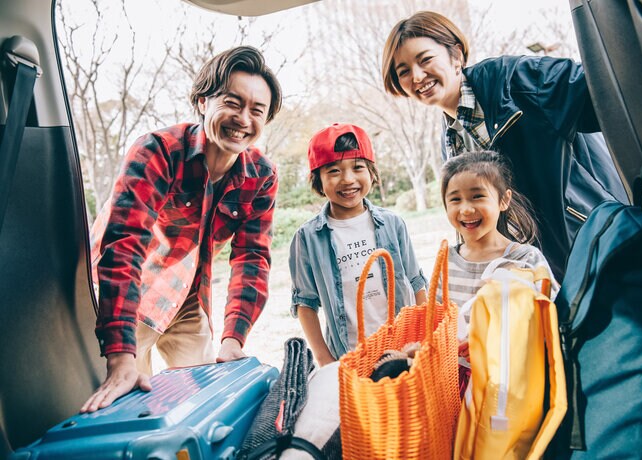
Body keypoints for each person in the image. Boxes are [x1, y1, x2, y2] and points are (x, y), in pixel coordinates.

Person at [81, 46, 282, 413]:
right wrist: (120, 354)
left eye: (257, 110)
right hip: (126, 294)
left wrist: (234, 337)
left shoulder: (262, 176)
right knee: (126, 404)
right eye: (232, 103)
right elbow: (123, 245)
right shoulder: (157, 151)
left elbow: (252, 258)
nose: (243, 119)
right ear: (204, 102)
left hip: (187, 294)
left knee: (205, 400)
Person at [381, 11, 629, 281]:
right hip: (544, 273)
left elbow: (606, 90)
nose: (417, 76)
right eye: (403, 71)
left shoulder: (515, 82)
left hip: (598, 244)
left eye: (425, 59)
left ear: (456, 57)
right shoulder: (451, 139)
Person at [288, 123, 428, 366]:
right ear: (318, 181)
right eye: (333, 171)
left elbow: (416, 282)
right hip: (348, 356)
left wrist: (425, 336)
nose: (348, 179)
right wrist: (324, 358)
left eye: (357, 167)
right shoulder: (307, 238)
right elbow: (305, 302)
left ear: (372, 173)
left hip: (402, 349)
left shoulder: (393, 224)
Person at [440, 151, 557, 373]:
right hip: (458, 386)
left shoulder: (526, 260)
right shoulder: (445, 263)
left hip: (513, 382)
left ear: (504, 200)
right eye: (455, 199)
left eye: (477, 196)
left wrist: (489, 345)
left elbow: (547, 323)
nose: (466, 209)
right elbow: (437, 324)